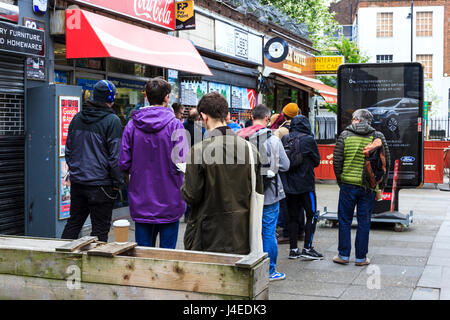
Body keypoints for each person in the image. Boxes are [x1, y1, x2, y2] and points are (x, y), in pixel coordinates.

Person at [181, 92, 263, 255]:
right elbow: (258, 191)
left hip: (207, 237)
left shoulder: (198, 151)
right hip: (242, 235)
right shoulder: (251, 150)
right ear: (226, 115)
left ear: (204, 117)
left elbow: (191, 195)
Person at [118, 77, 188, 249]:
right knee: (167, 257)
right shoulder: (175, 125)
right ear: (166, 98)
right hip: (170, 200)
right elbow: (183, 162)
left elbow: (123, 163)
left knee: (143, 255)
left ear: (147, 97)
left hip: (142, 200)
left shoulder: (132, 125)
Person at [62, 80, 123, 242]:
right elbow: (115, 157)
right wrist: (117, 182)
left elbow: (68, 150)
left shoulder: (77, 118)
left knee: (74, 223)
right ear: (110, 98)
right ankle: (95, 265)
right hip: (101, 185)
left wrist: (75, 172)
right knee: (100, 230)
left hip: (78, 182)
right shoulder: (113, 121)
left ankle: (60, 260)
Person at [238, 105, 290, 281]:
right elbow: (285, 165)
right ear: (267, 118)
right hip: (269, 193)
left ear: (252, 117)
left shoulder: (240, 136)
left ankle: (247, 265)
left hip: (245, 192)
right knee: (268, 231)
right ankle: (269, 271)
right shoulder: (273, 140)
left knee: (248, 230)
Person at [332, 109, 390, 266]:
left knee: (344, 220)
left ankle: (343, 255)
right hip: (368, 187)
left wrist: (341, 181)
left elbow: (337, 162)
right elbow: (386, 163)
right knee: (364, 221)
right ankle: (361, 258)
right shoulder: (378, 137)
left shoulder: (345, 135)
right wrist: (380, 185)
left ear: (356, 119)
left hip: (347, 185)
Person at [281, 115, 323, 260]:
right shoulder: (308, 139)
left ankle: (293, 249)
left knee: (292, 217)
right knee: (312, 215)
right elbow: (317, 161)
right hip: (306, 185)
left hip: (289, 186)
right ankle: (307, 247)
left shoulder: (285, 138)